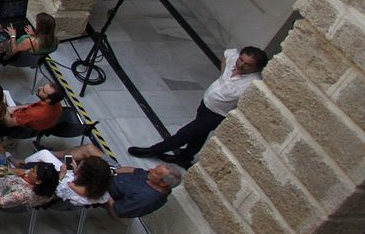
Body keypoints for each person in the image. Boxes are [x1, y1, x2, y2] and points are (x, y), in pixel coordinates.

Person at [129, 45, 268, 167]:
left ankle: (154, 150)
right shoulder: (234, 59)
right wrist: (223, 74)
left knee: (186, 133)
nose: (241, 64)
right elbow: (227, 53)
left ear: (256, 68)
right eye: (241, 59)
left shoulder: (253, 84)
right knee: (199, 135)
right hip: (206, 104)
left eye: (247, 64)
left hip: (217, 114)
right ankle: (185, 157)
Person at [59, 143, 182, 218]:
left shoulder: (146, 199)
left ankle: (60, 172)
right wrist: (110, 171)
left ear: (163, 183)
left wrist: (102, 185)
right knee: (89, 149)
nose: (149, 170)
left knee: (73, 174)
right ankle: (58, 156)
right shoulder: (150, 176)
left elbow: (117, 211)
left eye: (155, 172)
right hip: (109, 174)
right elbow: (133, 170)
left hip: (103, 190)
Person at [25, 149, 113, 206]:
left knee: (43, 153)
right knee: (68, 159)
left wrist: (62, 173)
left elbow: (54, 189)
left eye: (81, 166)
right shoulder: (99, 189)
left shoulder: (70, 187)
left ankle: (20, 163)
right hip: (71, 177)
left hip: (55, 182)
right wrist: (75, 172)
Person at [2, 81, 67, 133]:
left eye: (43, 91)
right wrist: (15, 108)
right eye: (43, 86)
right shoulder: (57, 104)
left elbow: (8, 123)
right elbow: (31, 106)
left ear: (48, 100)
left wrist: (3, 107)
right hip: (38, 125)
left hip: (21, 127)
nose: (39, 88)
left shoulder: (34, 113)